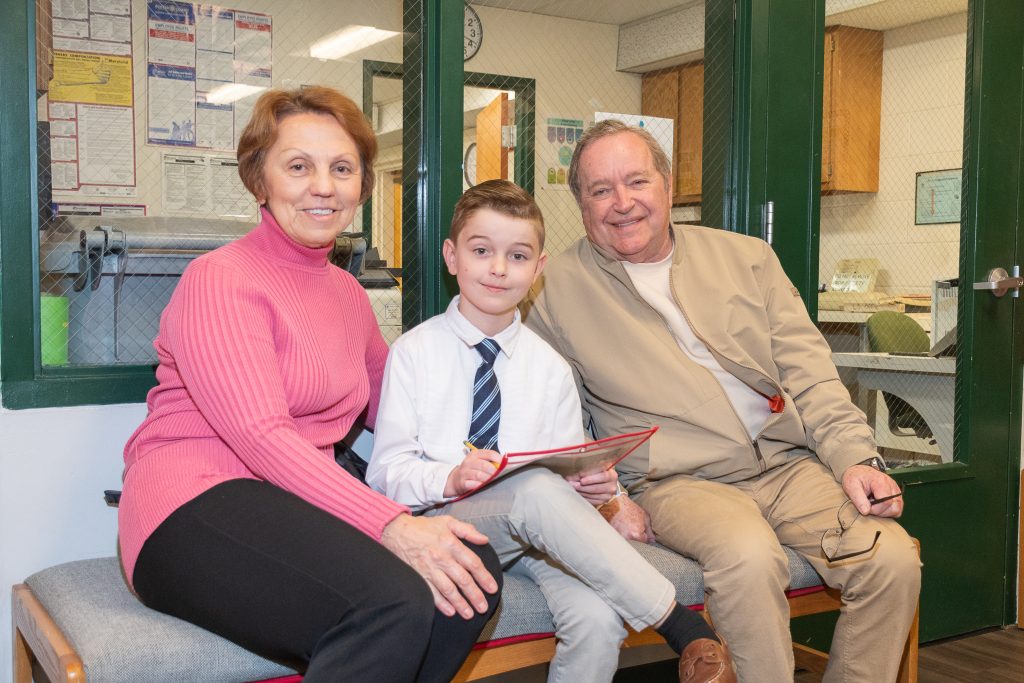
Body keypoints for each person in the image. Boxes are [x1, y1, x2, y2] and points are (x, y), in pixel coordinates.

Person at [118, 86, 502, 683]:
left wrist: (523, 458)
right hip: (191, 505)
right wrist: (392, 523)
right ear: (260, 180)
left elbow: (400, 404)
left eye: (342, 168)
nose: (323, 186)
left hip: (290, 503)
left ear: (362, 184)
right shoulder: (220, 279)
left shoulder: (347, 293)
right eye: (299, 166)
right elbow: (262, 437)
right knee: (390, 601)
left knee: (472, 572)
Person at [523, 119, 922, 683]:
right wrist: (610, 499)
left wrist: (856, 457)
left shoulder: (747, 258)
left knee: (891, 559)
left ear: (667, 185)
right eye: (600, 190)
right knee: (749, 557)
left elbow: (810, 373)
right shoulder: (553, 291)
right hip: (678, 482)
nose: (622, 203)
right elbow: (554, 418)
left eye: (636, 181)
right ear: (581, 206)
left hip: (787, 465)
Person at [367, 179, 736, 683]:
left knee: (598, 619)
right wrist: (449, 478)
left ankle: (669, 625)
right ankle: (682, 626)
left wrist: (593, 487)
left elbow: (561, 477)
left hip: (531, 539)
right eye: (482, 251)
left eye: (517, 256)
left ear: (538, 269)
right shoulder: (414, 353)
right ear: (452, 257)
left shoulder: (550, 368)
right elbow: (385, 474)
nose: (499, 268)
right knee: (533, 488)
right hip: (446, 524)